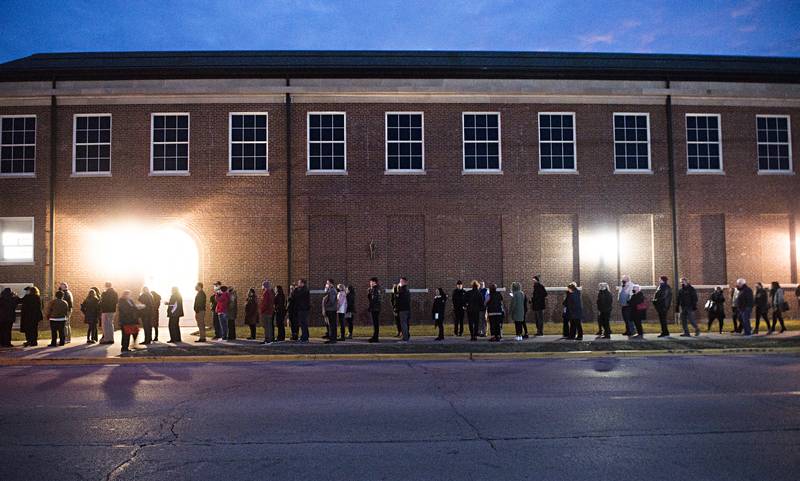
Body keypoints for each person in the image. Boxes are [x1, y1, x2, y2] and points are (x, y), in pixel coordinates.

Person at [367, 277, 382, 343]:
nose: (370, 283)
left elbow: (373, 299)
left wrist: (370, 293)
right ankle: (375, 337)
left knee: (376, 323)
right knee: (375, 323)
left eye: (371, 282)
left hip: (375, 308)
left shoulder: (375, 289)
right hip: (376, 308)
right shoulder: (375, 289)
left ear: (374, 282)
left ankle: (375, 338)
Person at [396, 277, 411, 342]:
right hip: (406, 308)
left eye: (401, 281)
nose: (400, 283)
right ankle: (406, 336)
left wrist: (398, 288)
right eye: (400, 281)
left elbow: (400, 298)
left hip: (403, 309)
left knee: (403, 323)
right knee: (405, 323)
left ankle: (405, 337)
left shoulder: (403, 289)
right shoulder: (406, 289)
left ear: (405, 282)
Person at [323, 279, 338, 344]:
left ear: (331, 284)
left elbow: (331, 301)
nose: (326, 284)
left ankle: (333, 339)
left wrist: (326, 305)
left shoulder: (332, 291)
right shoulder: (330, 290)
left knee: (332, 325)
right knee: (331, 325)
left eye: (328, 283)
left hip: (331, 310)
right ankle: (332, 338)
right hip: (330, 309)